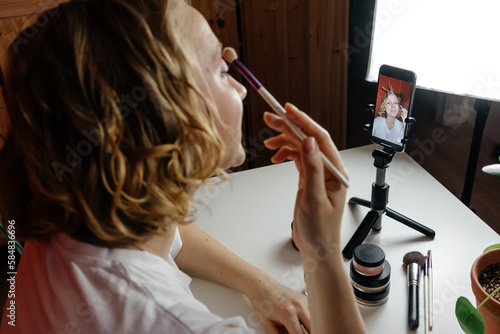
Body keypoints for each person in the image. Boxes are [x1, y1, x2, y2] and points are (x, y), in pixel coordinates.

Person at [0, 0, 366, 333]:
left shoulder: (63, 223)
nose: (241, 90)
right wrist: (325, 252)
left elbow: (171, 235)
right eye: (223, 71)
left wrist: (261, 284)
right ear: (163, 118)